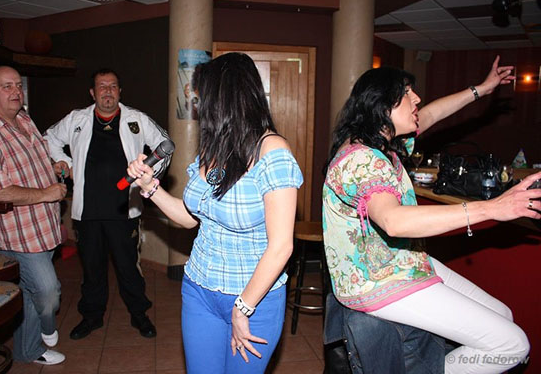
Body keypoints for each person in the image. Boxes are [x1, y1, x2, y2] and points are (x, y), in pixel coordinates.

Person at [322, 56, 541, 374]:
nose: (417, 99)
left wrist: (481, 89)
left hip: (403, 262)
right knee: (513, 345)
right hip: (374, 282)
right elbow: (394, 221)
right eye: (407, 92)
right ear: (381, 106)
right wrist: (494, 208)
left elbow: (432, 113)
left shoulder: (385, 145)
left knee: (503, 316)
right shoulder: (361, 159)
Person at [127, 53, 303, 373]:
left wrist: (243, 307)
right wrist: (150, 187)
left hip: (254, 298)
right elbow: (190, 217)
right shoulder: (213, 147)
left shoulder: (272, 151)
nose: (198, 105)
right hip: (200, 290)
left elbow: (281, 247)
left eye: (201, 97)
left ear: (224, 97)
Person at [44, 68, 171, 340]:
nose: (108, 91)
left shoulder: (136, 119)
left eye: (113, 86)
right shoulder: (76, 119)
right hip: (87, 211)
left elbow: (165, 144)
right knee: (92, 268)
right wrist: (64, 162)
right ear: (93, 93)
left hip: (125, 210)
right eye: (102, 86)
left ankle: (139, 314)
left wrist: (149, 176)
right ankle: (91, 317)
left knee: (128, 267)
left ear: (120, 91)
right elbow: (48, 138)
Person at [0, 66, 66, 366]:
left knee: (30, 292)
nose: (15, 92)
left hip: (44, 225)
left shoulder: (23, 118)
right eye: (6, 86)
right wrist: (46, 193)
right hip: (17, 233)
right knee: (47, 291)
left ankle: (28, 350)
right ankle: (47, 329)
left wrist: (53, 166)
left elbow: (33, 160)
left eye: (18, 86)